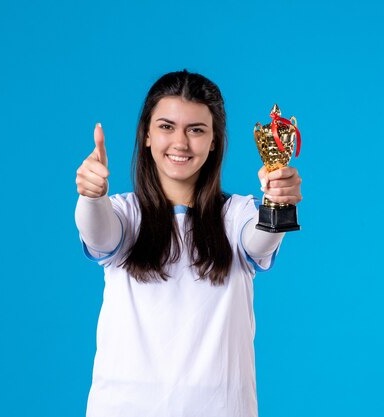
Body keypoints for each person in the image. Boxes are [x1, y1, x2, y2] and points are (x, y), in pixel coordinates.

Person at [74, 70, 302, 417]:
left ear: (214, 141)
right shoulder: (124, 214)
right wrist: (92, 196)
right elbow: (98, 232)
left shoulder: (236, 214)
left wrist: (278, 201)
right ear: (146, 135)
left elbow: (260, 242)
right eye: (166, 127)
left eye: (196, 130)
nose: (180, 143)